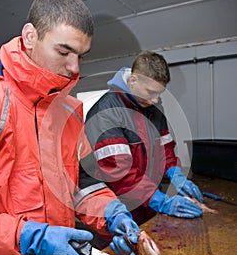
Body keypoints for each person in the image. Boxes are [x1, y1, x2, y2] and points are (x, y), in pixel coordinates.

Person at [0, 0, 140, 255]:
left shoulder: (71, 113)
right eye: (64, 51)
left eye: (81, 55)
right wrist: (27, 236)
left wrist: (112, 212)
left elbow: (83, 183)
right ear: (30, 36)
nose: (74, 68)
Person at [85, 50, 204, 226]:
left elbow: (166, 150)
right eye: (150, 92)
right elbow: (118, 173)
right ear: (133, 80)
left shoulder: (152, 109)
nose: (156, 100)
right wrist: (160, 201)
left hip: (149, 202)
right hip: (119, 211)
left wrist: (175, 174)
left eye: (159, 94)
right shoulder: (106, 113)